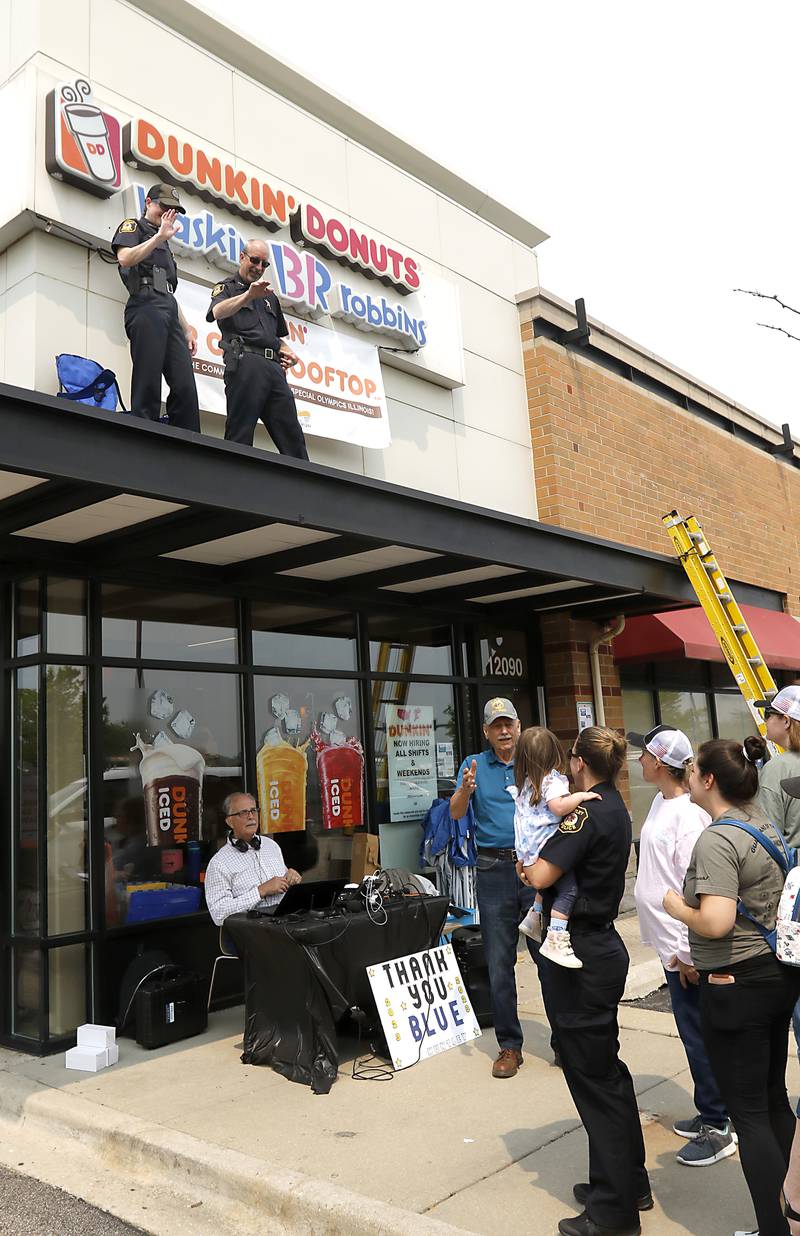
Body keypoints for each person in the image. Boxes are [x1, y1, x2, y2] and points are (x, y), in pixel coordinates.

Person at [664, 736, 800, 1236]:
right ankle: (795, 1213)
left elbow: (717, 921)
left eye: (693, 768)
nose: (688, 774)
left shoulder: (717, 839)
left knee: (749, 1115)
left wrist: (675, 907)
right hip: (776, 976)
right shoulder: (764, 824)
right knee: (771, 1099)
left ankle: (774, 1228)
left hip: (737, 985)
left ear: (709, 780)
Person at [521, 726, 649, 1236]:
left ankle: (613, 1213)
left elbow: (542, 875)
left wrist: (524, 866)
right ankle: (624, 1182)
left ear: (578, 763)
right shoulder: (615, 805)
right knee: (606, 1071)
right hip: (598, 946)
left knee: (592, 1078)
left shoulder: (586, 813)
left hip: (580, 953)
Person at [630, 725, 736, 1167]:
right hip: (670, 945)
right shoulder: (661, 800)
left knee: (700, 1037)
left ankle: (719, 1125)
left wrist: (688, 954)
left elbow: (695, 887)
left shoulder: (688, 816)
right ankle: (709, 1108)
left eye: (644, 755)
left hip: (686, 949)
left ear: (659, 762)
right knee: (692, 1034)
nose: (638, 761)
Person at [450, 697, 537, 1079]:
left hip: (535, 869)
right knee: (500, 962)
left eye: (509, 724)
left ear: (519, 726)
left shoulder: (533, 760)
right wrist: (466, 791)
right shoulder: (472, 766)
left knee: (548, 956)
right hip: (493, 868)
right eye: (495, 726)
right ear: (486, 732)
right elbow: (455, 812)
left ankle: (564, 1040)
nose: (504, 731)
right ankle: (509, 1046)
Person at [206, 240, 309, 457]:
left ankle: (304, 487)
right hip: (246, 363)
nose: (259, 268)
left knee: (293, 437)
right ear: (242, 257)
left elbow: (276, 337)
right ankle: (235, 486)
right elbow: (217, 312)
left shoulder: (269, 296)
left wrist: (290, 353)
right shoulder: (227, 287)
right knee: (240, 434)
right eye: (255, 260)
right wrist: (248, 296)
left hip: (274, 369)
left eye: (264, 264)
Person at [112, 184, 200, 430]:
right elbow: (125, 258)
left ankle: (187, 442)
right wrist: (159, 236)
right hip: (145, 304)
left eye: (173, 209)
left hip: (167, 306)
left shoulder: (165, 241)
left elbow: (168, 290)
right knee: (148, 379)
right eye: (164, 206)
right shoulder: (134, 227)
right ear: (148, 202)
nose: (168, 212)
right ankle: (144, 437)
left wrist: (187, 327)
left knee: (185, 386)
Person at [513, 725, 601, 968]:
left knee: (547, 886)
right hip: (545, 848)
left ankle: (534, 914)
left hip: (528, 851)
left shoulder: (526, 783)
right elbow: (559, 807)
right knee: (569, 890)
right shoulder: (551, 782)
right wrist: (581, 797)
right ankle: (557, 935)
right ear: (554, 755)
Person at [204, 791, 302, 926]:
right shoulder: (219, 863)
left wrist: (292, 878)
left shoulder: (271, 846)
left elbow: (284, 885)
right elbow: (219, 914)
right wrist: (260, 891)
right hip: (252, 933)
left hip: (284, 924)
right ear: (229, 821)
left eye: (253, 810)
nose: (251, 817)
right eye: (243, 813)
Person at [756, 686, 800, 848]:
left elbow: (768, 838)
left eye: (768, 714)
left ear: (786, 721)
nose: (764, 720)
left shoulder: (777, 768)